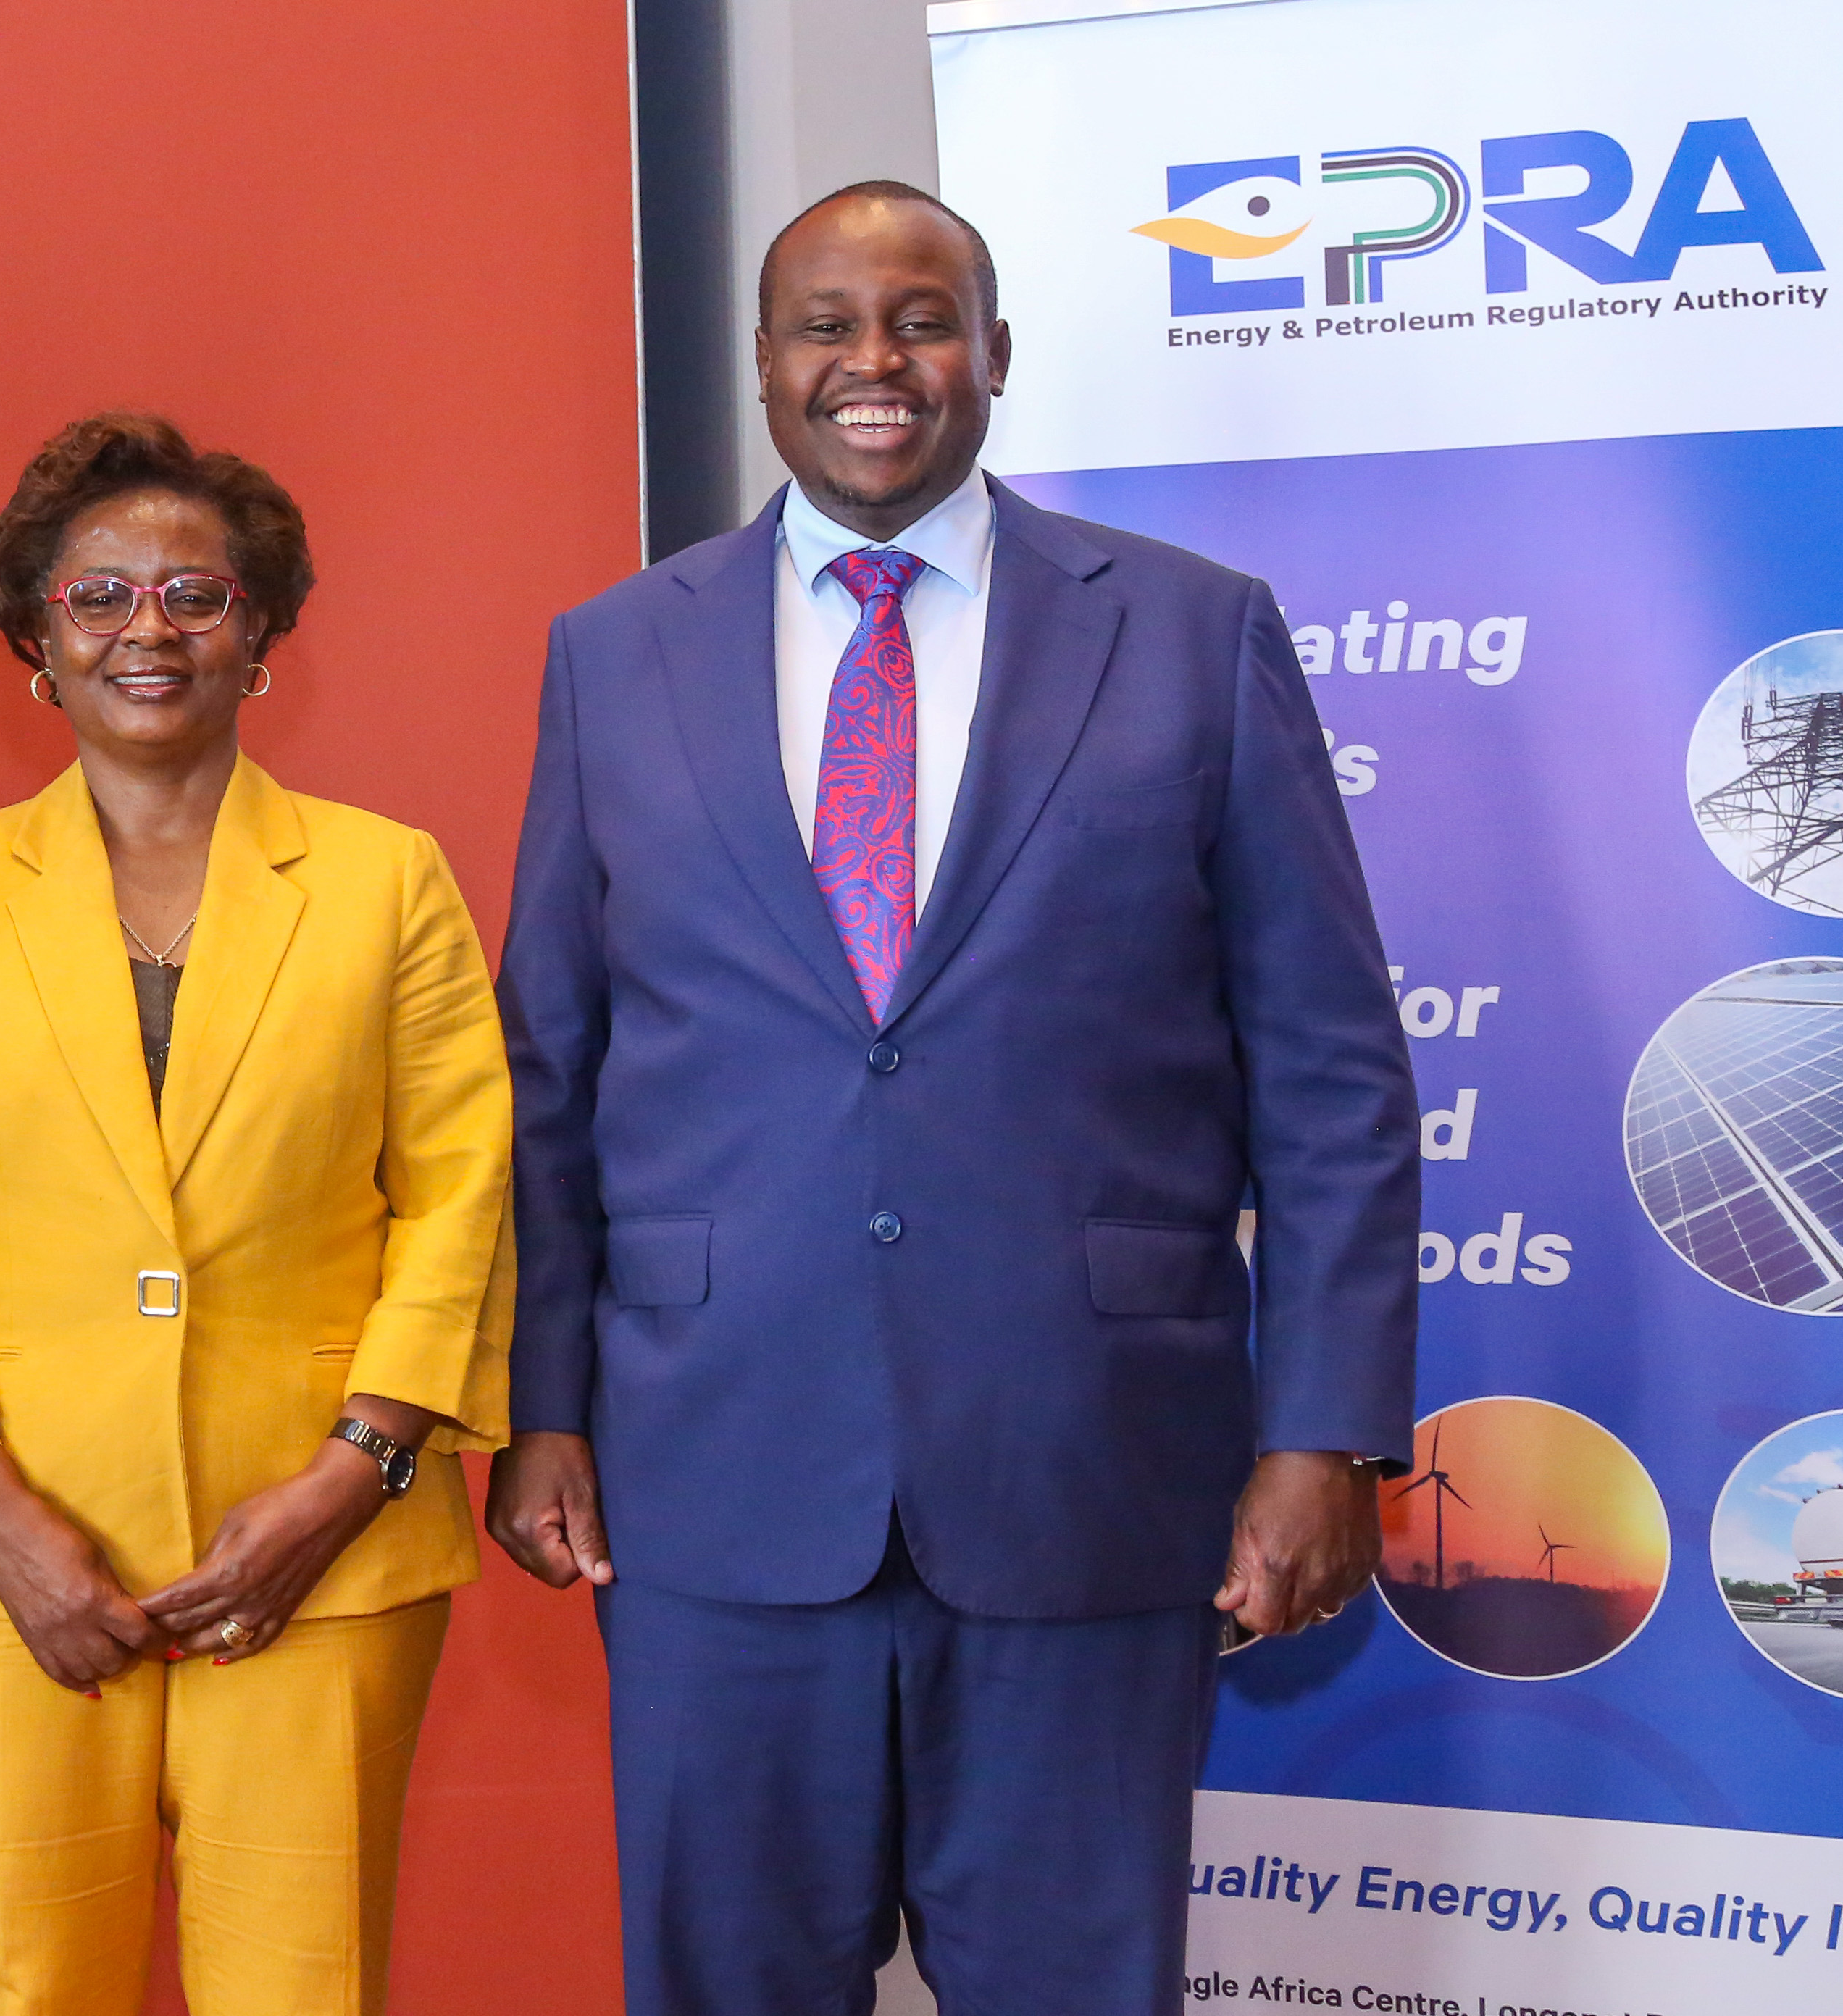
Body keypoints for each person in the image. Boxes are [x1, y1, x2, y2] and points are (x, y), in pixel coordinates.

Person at [489, 182, 1419, 2015]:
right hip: (710, 1479)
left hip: (1089, 1469)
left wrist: (1326, 1431)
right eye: (825, 324)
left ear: (993, 354)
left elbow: (1328, 1069)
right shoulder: (615, 651)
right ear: (764, 367)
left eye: (920, 320)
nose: (874, 362)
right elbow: (553, 1065)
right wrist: (539, 1406)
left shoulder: (1189, 630)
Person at [0, 413, 514, 2016]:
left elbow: (463, 1197)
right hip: (11, 1565)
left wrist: (357, 1476)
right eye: (97, 598)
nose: (149, 629)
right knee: (22, 1986)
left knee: (305, 1989)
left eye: (197, 595)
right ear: (35, 644)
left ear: (261, 635)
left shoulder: (386, 880)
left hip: (320, 1555)